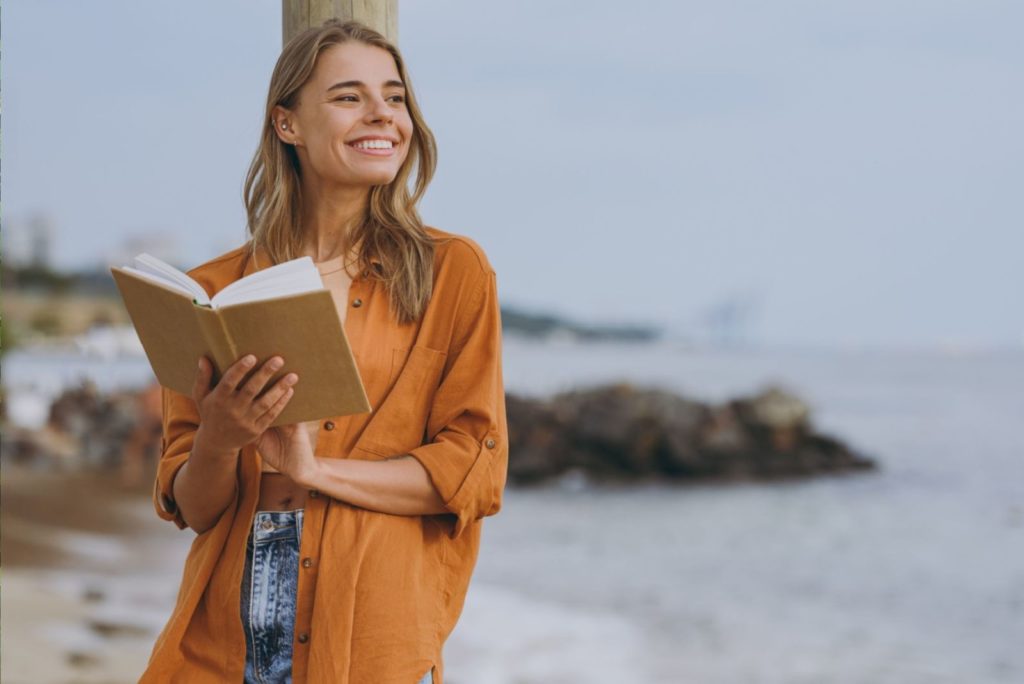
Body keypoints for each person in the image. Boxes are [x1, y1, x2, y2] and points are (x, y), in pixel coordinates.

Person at [138, 18, 508, 684]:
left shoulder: (453, 273)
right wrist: (220, 441)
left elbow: (473, 472)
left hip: (370, 631)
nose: (383, 115)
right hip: (221, 632)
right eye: (349, 96)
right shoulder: (212, 291)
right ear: (288, 124)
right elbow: (194, 508)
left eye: (394, 97)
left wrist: (315, 470)